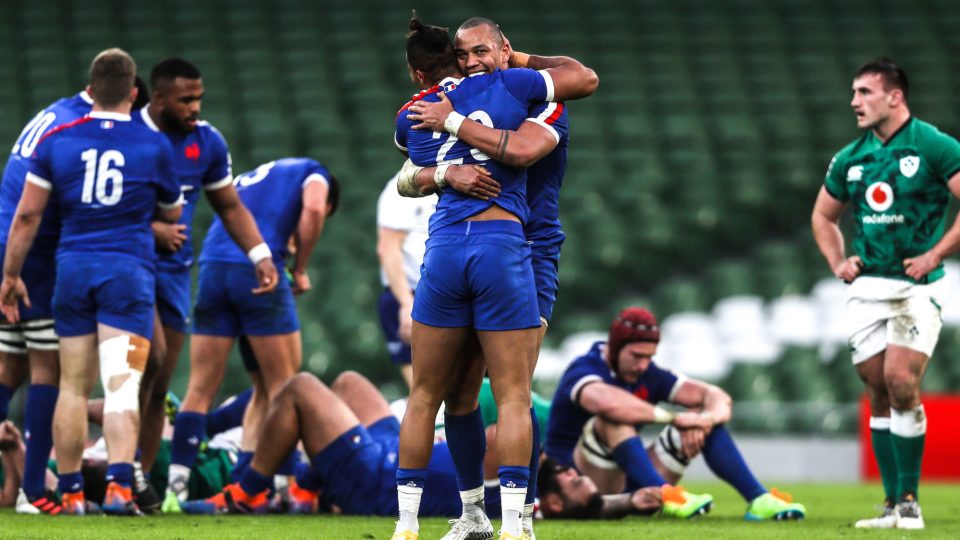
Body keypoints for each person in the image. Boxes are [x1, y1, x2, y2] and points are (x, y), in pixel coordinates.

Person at [392, 14, 596, 540]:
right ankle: (474, 515)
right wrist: (443, 171)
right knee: (459, 395)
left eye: (485, 52)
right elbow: (403, 178)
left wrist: (452, 125)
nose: (475, 62)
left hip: (530, 249)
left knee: (512, 388)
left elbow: (529, 144)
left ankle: (521, 518)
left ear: (506, 49)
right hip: (487, 245)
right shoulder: (484, 94)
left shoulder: (537, 97)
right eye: (465, 56)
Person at [0, 48, 184, 515]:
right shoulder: (154, 145)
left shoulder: (59, 138)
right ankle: (121, 486)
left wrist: (10, 274)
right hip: (127, 275)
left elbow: (27, 215)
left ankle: (70, 492)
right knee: (121, 385)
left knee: (72, 387)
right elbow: (171, 214)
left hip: (71, 273)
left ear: (90, 87)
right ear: (136, 93)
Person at [180, 370, 664, 522]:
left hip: (379, 480)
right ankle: (308, 493)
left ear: (553, 501)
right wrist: (629, 501)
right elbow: (587, 503)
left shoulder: (519, 488)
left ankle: (246, 493)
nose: (576, 471)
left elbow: (498, 423)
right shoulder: (524, 482)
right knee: (349, 382)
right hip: (397, 449)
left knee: (303, 388)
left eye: (575, 482)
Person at [811, 58, 960, 531]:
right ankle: (893, 505)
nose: (854, 101)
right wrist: (839, 261)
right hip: (867, 287)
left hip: (917, 286)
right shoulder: (850, 157)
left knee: (900, 380)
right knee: (876, 386)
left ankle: (911, 503)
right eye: (853, 92)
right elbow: (823, 217)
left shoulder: (933, 145)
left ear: (894, 96)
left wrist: (936, 254)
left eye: (864, 92)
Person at [137, 58, 279, 504]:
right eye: (185, 100)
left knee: (160, 382)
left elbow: (230, 206)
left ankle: (141, 481)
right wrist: (151, 230)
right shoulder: (128, 136)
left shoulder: (208, 141)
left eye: (199, 98)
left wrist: (259, 254)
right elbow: (93, 211)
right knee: (146, 364)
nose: (195, 107)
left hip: (176, 273)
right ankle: (126, 477)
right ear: (158, 98)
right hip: (128, 268)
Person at [163, 157, 338, 512]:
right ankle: (279, 488)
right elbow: (316, 209)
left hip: (212, 270)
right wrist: (300, 267)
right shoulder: (314, 172)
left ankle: (177, 490)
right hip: (258, 271)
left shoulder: (254, 177)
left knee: (204, 387)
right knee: (284, 387)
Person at [546, 307, 807, 522]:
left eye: (649, 357)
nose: (643, 365)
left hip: (626, 480)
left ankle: (758, 499)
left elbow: (717, 397)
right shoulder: (584, 368)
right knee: (614, 418)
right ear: (615, 347)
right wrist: (674, 418)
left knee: (699, 417)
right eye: (636, 356)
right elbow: (608, 403)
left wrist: (704, 420)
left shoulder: (647, 373)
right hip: (577, 486)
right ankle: (667, 495)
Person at [0, 86, 93, 514]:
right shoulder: (77, 128)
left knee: (8, 362)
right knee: (48, 368)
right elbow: (37, 209)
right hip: (31, 255)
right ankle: (32, 490)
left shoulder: (53, 113)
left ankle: (16, 486)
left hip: (6, 244)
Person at [376, 172, 436, 388]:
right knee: (423, 387)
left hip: (452, 291)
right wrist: (406, 303)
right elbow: (388, 247)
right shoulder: (401, 187)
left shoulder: (461, 178)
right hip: (412, 292)